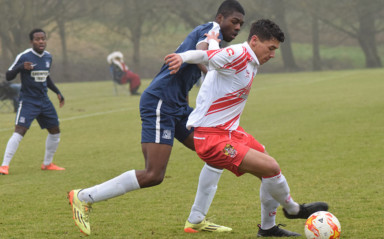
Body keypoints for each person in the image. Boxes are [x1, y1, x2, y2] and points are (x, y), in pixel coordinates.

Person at [68, 0, 245, 236]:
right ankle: (83, 197)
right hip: (160, 102)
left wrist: (211, 70)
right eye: (234, 22)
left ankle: (196, 220)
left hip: (179, 105)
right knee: (153, 175)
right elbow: (204, 47)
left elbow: (205, 59)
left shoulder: (216, 42)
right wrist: (205, 60)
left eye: (241, 24)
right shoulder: (211, 29)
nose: (237, 28)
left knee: (216, 153)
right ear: (221, 17)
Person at [164, 19, 329, 237]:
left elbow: (215, 56)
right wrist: (181, 57)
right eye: (270, 48)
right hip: (212, 139)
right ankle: (293, 209)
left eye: (275, 50)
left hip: (231, 132)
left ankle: (268, 228)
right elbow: (205, 57)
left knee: (267, 172)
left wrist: (213, 42)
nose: (272, 55)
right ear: (254, 40)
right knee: (271, 166)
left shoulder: (247, 59)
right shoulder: (239, 54)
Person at [0, 29, 65, 176]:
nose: (41, 41)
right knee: (20, 131)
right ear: (31, 42)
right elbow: (9, 76)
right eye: (37, 39)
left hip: (44, 101)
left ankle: (47, 164)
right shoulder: (24, 56)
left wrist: (57, 92)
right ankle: (4, 166)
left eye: (43, 39)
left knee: (55, 131)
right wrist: (21, 67)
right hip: (28, 101)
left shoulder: (48, 57)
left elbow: (46, 77)